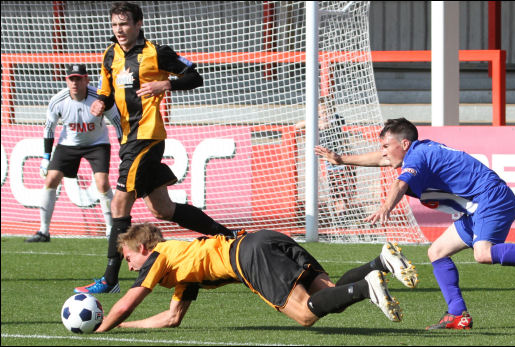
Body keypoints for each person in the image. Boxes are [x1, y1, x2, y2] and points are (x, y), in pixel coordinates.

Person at [315, 117, 515, 330]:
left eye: (386, 145)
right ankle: (457, 313)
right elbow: (383, 160)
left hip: (490, 198)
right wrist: (341, 159)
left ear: (404, 143)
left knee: (482, 253)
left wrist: (386, 206)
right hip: (476, 205)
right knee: (436, 252)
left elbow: (400, 183)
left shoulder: (416, 156)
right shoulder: (414, 152)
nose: (382, 152)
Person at [75, 2, 235, 294]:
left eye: (124, 24)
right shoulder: (110, 54)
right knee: (162, 208)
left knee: (118, 204)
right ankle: (227, 237)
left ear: (138, 24)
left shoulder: (156, 51)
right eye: (114, 25)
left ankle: (110, 280)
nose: (119, 30)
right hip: (127, 137)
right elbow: (108, 94)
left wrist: (166, 84)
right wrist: (100, 103)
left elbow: (194, 76)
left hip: (147, 137)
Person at [95, 223, 418, 332]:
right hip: (264, 238)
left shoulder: (158, 257)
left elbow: (125, 303)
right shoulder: (180, 263)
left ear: (141, 247)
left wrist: (104, 324)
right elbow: (171, 318)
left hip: (248, 257)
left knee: (306, 313)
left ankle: (366, 287)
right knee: (329, 292)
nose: (130, 267)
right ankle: (381, 262)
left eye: (127, 259)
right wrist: (125, 326)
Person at [26, 64, 123, 243]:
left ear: (86, 79)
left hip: (97, 143)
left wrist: (124, 149)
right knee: (51, 179)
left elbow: (117, 122)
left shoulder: (100, 99)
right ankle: (43, 231)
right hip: (68, 143)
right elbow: (49, 128)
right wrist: (46, 157)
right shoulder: (58, 100)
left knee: (102, 183)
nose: (75, 83)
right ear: (67, 80)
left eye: (79, 78)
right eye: (72, 79)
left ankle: (110, 230)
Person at [296, 96, 356, 219]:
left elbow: (338, 129)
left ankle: (343, 212)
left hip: (341, 157)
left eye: (327, 111)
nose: (325, 115)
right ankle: (338, 213)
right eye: (322, 112)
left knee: (344, 188)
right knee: (334, 188)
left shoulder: (338, 119)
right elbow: (297, 126)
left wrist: (327, 124)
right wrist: (315, 122)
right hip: (329, 161)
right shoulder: (316, 120)